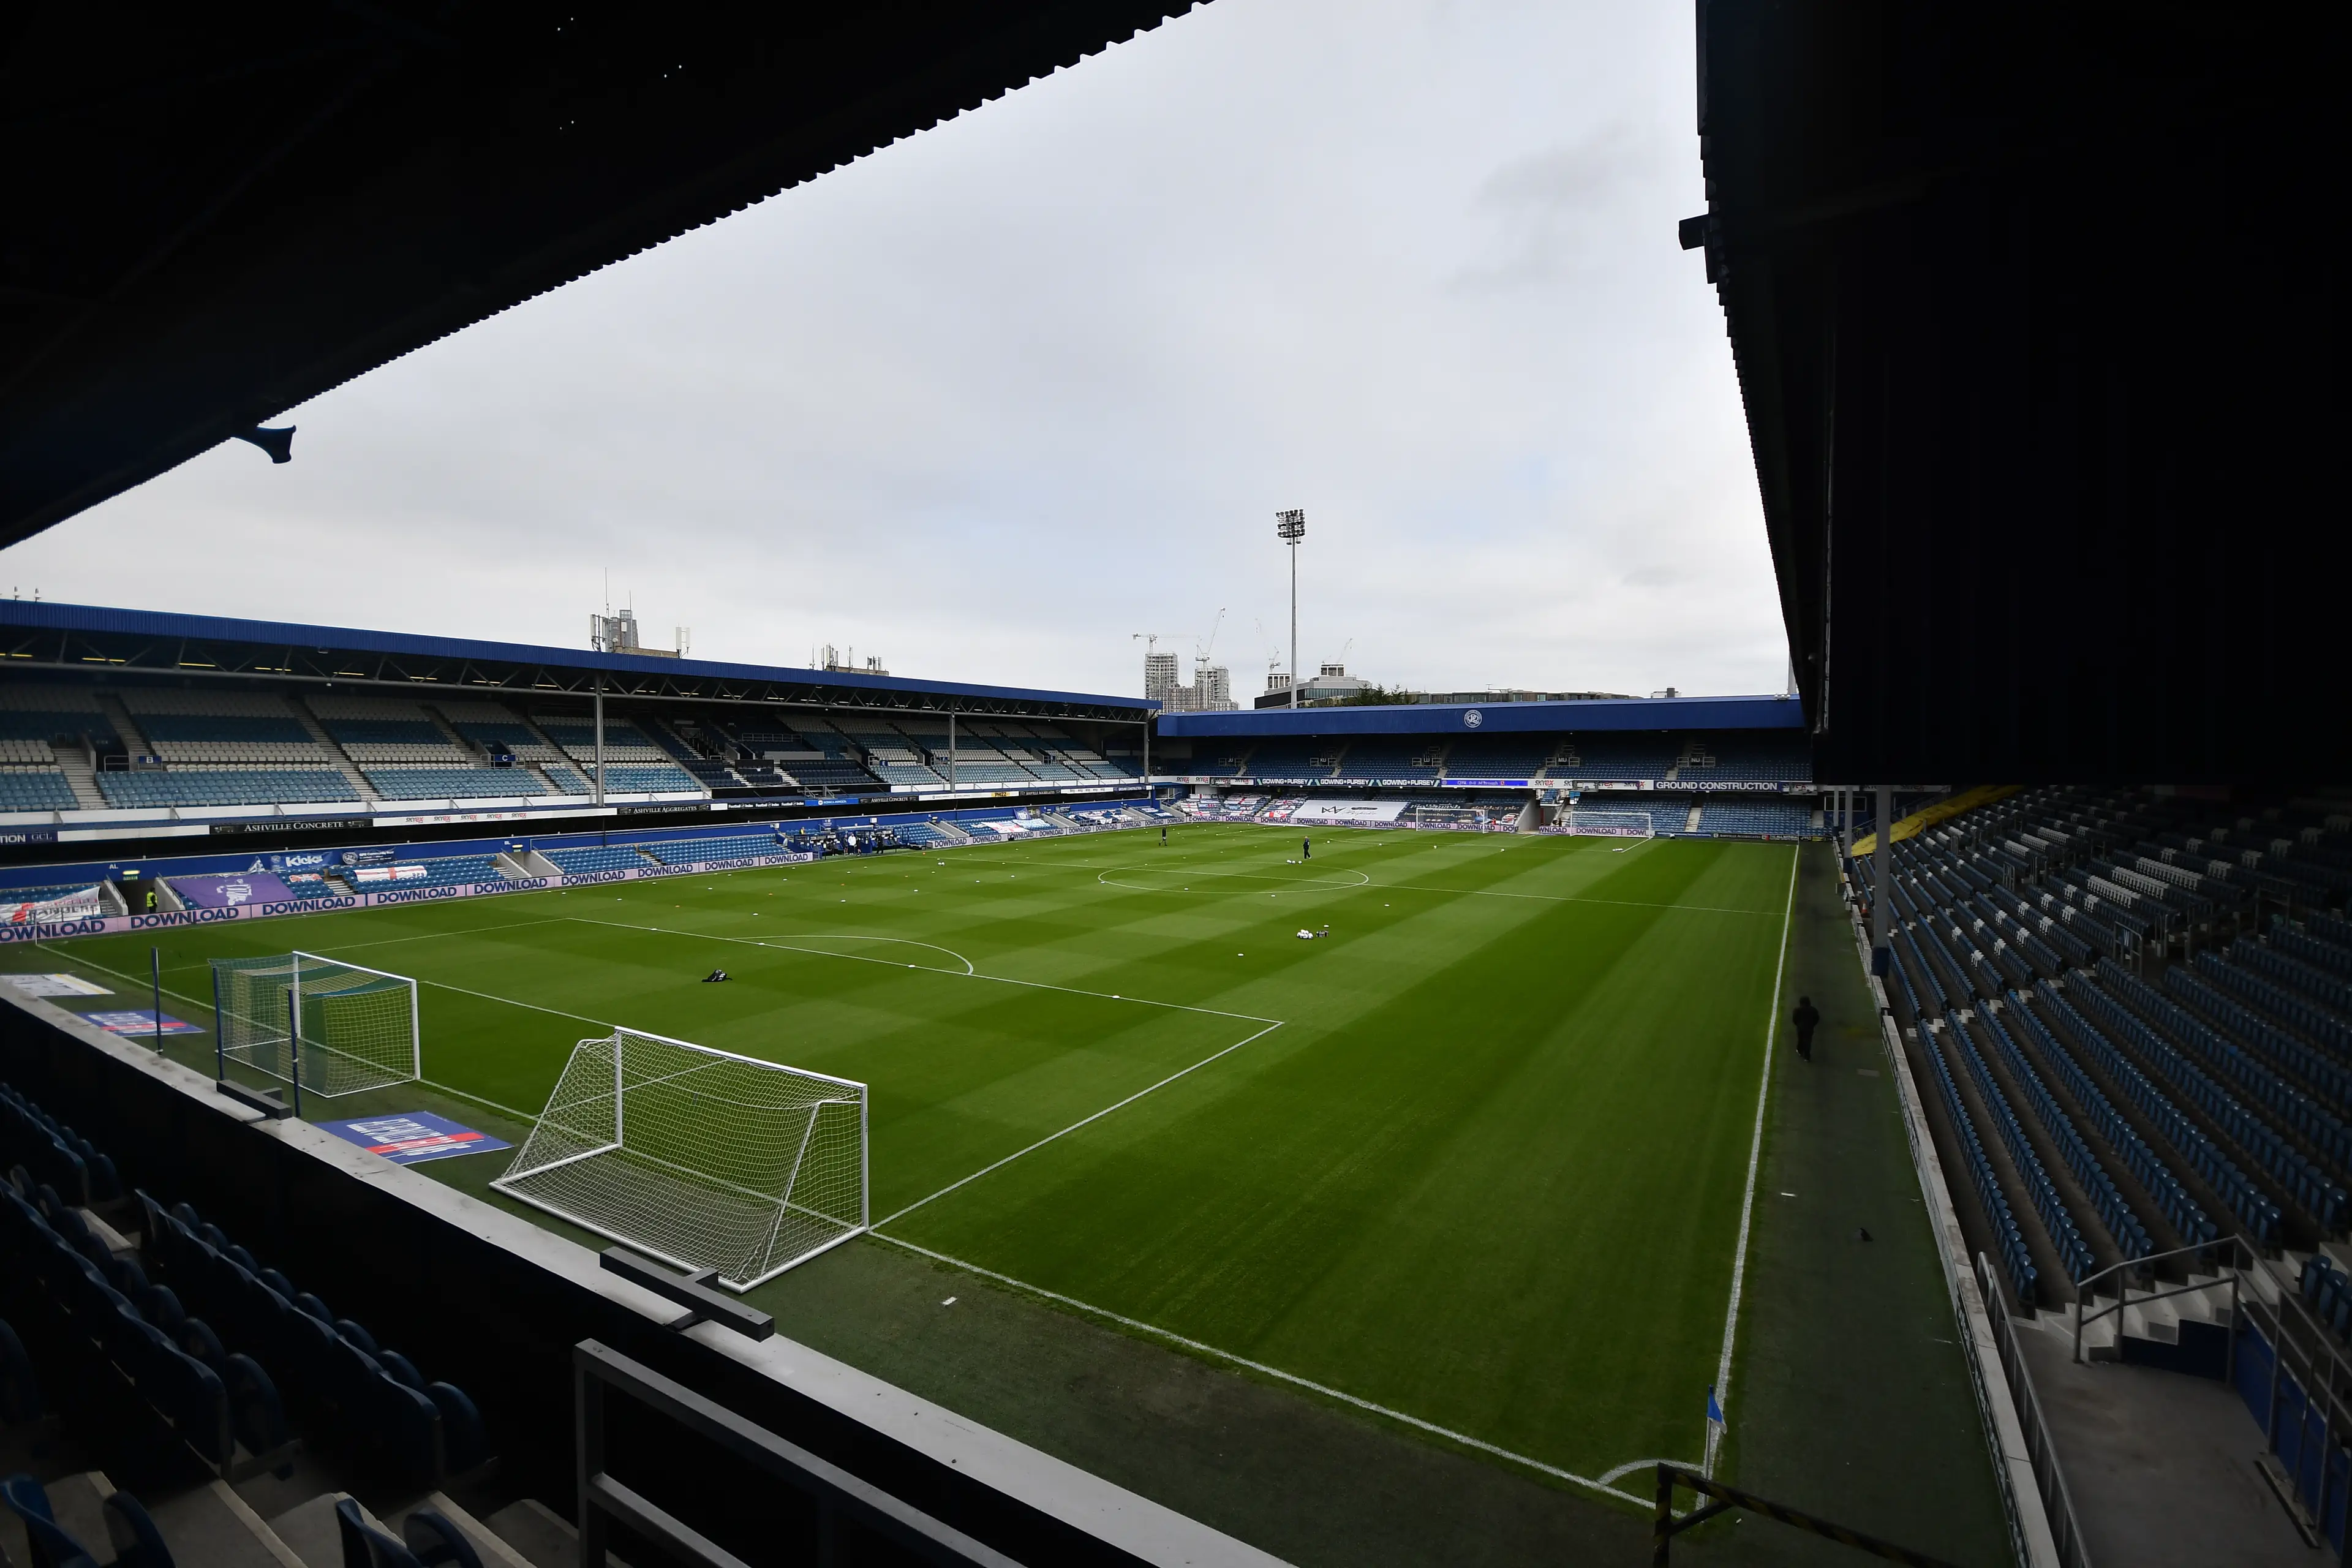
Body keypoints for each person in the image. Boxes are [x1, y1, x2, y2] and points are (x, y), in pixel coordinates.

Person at [1792, 995, 1821, 1062]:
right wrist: (1812, 1025)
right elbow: (1817, 1019)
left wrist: (1798, 1025)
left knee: (1801, 1039)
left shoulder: (1797, 1010)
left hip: (1801, 1027)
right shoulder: (1813, 1010)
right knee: (1808, 1041)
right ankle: (1807, 1056)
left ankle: (1800, 1050)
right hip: (1809, 1028)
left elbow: (1794, 1019)